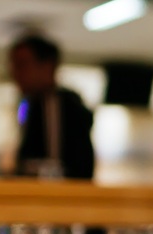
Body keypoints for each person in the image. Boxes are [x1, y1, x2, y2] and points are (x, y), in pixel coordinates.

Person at [8, 34, 96, 180]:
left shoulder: (57, 105)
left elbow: (55, 167)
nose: (15, 73)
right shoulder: (32, 104)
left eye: (22, 65)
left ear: (48, 66)